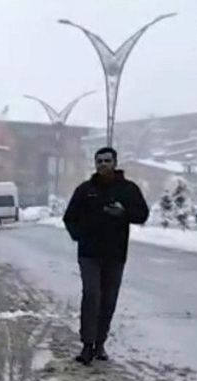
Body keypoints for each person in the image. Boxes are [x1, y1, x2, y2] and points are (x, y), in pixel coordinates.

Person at [62, 147, 150, 365]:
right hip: (89, 254)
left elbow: (142, 214)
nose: (102, 164)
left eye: (107, 161)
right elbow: (69, 218)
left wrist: (123, 213)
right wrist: (80, 235)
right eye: (99, 161)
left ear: (115, 162)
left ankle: (100, 343)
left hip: (115, 254)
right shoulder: (85, 190)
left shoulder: (128, 189)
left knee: (108, 299)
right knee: (92, 295)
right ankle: (87, 345)